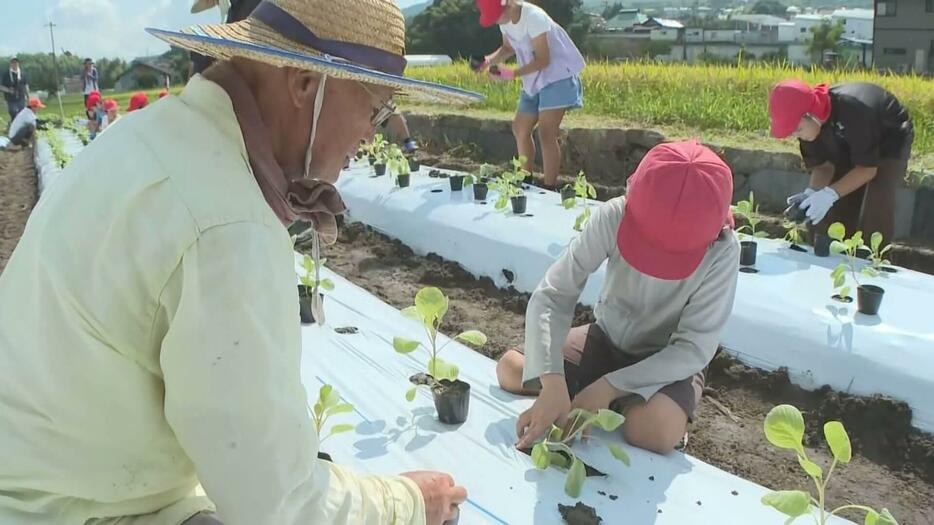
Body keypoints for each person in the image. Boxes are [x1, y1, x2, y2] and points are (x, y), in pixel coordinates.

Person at [0, 0, 481, 524]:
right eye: (376, 109)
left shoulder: (150, 137)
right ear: (303, 83)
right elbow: (280, 509)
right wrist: (408, 504)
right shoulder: (226, 223)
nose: (373, 135)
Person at [496, 140, 740, 454]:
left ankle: (628, 401)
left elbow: (693, 347)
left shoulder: (722, 251)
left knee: (654, 431)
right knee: (512, 368)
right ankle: (608, 398)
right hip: (607, 338)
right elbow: (555, 294)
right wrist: (553, 382)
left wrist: (609, 387)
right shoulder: (614, 216)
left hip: (666, 359)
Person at [769, 80, 913, 244]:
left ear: (810, 114)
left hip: (889, 141)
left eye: (797, 129)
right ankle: (828, 256)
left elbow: (867, 169)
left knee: (877, 209)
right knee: (834, 212)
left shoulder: (854, 111)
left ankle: (873, 261)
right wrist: (812, 194)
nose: (795, 135)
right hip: (846, 143)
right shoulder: (809, 129)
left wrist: (829, 195)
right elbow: (823, 167)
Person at [473, 0, 585, 189]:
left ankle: (550, 186)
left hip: (557, 76)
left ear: (507, 6)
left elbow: (543, 60)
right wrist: (487, 61)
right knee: (520, 128)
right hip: (533, 80)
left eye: (495, 17)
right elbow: (507, 48)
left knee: (546, 133)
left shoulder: (534, 18)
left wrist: (511, 73)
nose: (495, 22)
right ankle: (525, 178)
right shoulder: (505, 22)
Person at [2, 57, 29, 122]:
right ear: (10, 64)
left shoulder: (22, 73)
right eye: (13, 62)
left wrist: (28, 96)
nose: (15, 64)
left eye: (16, 62)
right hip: (10, 97)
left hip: (21, 96)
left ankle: (21, 126)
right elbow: (1, 86)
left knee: (22, 112)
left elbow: (26, 85)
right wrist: (8, 90)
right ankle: (14, 125)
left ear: (18, 63)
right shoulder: (6, 74)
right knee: (13, 112)